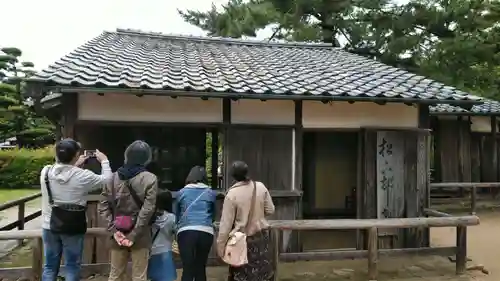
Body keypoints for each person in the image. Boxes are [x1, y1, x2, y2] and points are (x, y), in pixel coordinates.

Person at [41, 138, 113, 281]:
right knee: (72, 266)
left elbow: (63, 176)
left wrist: (75, 164)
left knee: (49, 267)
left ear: (56, 155)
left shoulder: (46, 172)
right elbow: (107, 179)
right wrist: (104, 160)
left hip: (49, 224)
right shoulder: (82, 175)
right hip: (73, 226)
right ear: (75, 155)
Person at [98, 140, 158, 281]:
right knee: (139, 276)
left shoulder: (112, 178)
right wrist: (133, 235)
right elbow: (147, 210)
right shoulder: (150, 179)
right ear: (147, 158)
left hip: (117, 232)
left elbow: (102, 207)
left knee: (115, 275)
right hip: (141, 234)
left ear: (127, 156)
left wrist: (115, 232)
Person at [216, 161, 275, 281]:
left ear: (233, 176)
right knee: (263, 274)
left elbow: (225, 225)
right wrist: (258, 215)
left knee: (242, 276)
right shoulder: (260, 186)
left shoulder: (232, 194)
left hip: (241, 242)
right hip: (261, 239)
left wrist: (221, 248)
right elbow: (270, 210)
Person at [176, 166, 216, 281]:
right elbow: (213, 214)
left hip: (185, 231)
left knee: (187, 268)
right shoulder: (210, 193)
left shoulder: (181, 193)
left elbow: (177, 214)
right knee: (200, 267)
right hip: (206, 231)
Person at [148, 191, 177, 281]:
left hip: (151, 252)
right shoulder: (172, 217)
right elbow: (176, 232)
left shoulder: (150, 217)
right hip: (166, 251)